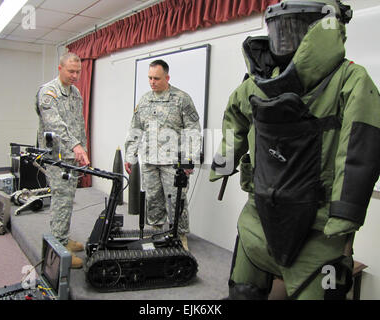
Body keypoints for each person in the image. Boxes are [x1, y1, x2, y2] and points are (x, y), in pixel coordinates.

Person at [210, 0, 380, 299]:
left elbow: (361, 147)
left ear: (324, 26)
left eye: (296, 26)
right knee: (242, 292)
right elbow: (233, 118)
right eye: (279, 28)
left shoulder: (350, 80)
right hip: (258, 217)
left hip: (319, 228)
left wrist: (345, 214)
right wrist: (223, 163)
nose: (286, 37)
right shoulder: (257, 82)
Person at [125, 59, 201, 250]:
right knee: (153, 199)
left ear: (167, 77)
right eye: (149, 78)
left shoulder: (181, 99)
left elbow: (193, 129)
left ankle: (180, 236)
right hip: (149, 161)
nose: (152, 82)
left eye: (156, 78)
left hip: (173, 163)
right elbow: (135, 129)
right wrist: (130, 155)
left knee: (177, 200)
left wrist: (189, 159)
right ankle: (156, 233)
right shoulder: (144, 100)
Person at [35, 52, 90, 268]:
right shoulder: (48, 92)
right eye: (71, 71)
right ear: (60, 69)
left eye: (78, 71)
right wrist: (75, 146)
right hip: (57, 156)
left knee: (68, 200)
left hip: (72, 156)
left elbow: (79, 123)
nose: (75, 75)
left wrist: (83, 150)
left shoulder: (75, 92)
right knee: (61, 201)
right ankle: (57, 249)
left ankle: (64, 239)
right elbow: (54, 124)